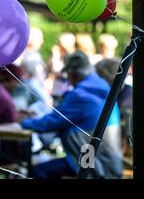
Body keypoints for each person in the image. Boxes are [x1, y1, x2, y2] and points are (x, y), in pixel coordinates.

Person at [20, 51, 123, 179]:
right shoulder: (100, 86)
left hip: (95, 165)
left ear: (73, 75)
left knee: (38, 172)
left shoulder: (81, 95)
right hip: (107, 161)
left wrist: (23, 122)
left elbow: (51, 122)